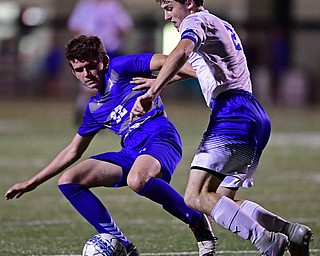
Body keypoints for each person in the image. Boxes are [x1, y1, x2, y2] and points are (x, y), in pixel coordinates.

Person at [5, 35, 217, 256]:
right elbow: (73, 150)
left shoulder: (120, 68)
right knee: (69, 181)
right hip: (131, 150)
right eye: (79, 70)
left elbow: (174, 60)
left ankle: (196, 220)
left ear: (104, 60)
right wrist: (33, 182)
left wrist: (169, 81)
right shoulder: (94, 108)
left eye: (91, 66)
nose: (86, 74)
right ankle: (125, 247)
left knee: (137, 179)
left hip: (159, 136)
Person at [130, 1, 313, 255]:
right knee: (220, 200)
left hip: (232, 114)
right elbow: (200, 69)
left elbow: (181, 53)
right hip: (253, 116)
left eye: (170, 7)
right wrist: (163, 80)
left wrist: (153, 91)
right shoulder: (220, 24)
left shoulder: (194, 22)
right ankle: (290, 232)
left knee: (195, 197)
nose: (167, 15)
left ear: (190, 3)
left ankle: (268, 241)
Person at [68, 0, 134, 124]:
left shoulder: (113, 6)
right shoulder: (85, 6)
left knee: (106, 85)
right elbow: (74, 26)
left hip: (109, 50)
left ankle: (96, 114)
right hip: (90, 50)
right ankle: (84, 111)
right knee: (90, 85)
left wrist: (114, 37)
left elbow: (125, 26)